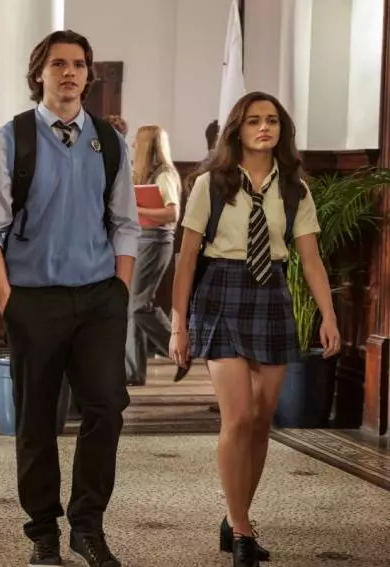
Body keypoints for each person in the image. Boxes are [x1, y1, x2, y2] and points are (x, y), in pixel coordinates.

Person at [0, 29, 139, 567]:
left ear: (89, 75)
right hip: (33, 301)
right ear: (39, 73)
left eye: (79, 64)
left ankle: (87, 527)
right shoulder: (10, 141)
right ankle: (43, 532)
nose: (70, 72)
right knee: (38, 421)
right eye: (59, 63)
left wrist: (119, 290)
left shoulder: (110, 143)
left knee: (106, 408)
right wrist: (10, 303)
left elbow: (126, 224)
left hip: (99, 300)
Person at [169, 91, 340, 567]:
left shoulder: (295, 190)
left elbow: (310, 258)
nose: (264, 128)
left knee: (263, 419)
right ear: (237, 130)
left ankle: (235, 514)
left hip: (272, 295)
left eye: (271, 121)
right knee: (239, 417)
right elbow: (186, 258)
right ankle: (243, 531)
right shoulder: (210, 184)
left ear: (281, 130)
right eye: (253, 121)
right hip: (220, 294)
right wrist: (178, 324)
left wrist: (328, 315)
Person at [125, 125, 181, 386]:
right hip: (140, 239)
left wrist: (136, 209)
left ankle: (180, 349)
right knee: (130, 307)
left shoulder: (165, 174)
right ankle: (132, 372)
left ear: (147, 145)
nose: (133, 146)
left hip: (156, 241)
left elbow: (172, 213)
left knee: (139, 306)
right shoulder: (143, 174)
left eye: (137, 141)